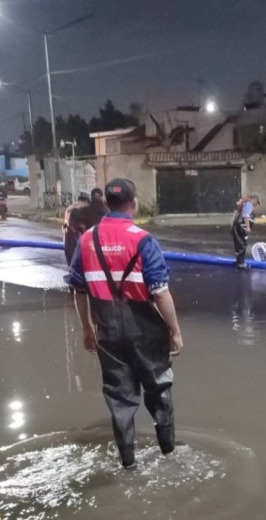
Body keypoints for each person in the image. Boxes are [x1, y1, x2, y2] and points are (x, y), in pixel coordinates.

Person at [68, 178, 184, 468]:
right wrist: (175, 331)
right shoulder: (143, 239)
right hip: (145, 330)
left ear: (108, 203)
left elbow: (79, 291)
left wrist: (87, 329)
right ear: (133, 204)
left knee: (120, 398)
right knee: (158, 389)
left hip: (107, 330)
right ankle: (169, 455)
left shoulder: (86, 240)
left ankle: (128, 464)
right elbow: (160, 292)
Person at [231, 192, 261, 269]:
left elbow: (236, 211)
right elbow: (246, 216)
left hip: (236, 225)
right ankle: (240, 264)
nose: (256, 205)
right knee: (242, 244)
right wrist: (248, 227)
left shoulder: (243, 202)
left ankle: (239, 261)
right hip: (240, 225)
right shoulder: (248, 203)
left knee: (239, 244)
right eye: (257, 202)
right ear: (254, 198)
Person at [62, 191, 92, 264]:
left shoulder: (70, 207)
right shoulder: (85, 207)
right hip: (79, 241)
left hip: (68, 240)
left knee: (72, 266)